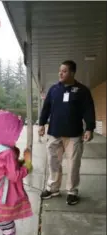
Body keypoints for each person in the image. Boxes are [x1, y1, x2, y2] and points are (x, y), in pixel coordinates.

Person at [39, 60, 96, 205]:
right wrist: (41, 124)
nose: (60, 73)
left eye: (64, 71)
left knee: (73, 164)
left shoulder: (82, 90)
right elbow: (46, 108)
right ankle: (53, 188)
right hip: (54, 133)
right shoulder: (54, 90)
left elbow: (88, 110)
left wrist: (89, 128)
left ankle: (72, 191)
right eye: (60, 70)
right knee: (53, 162)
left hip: (74, 135)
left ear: (72, 73)